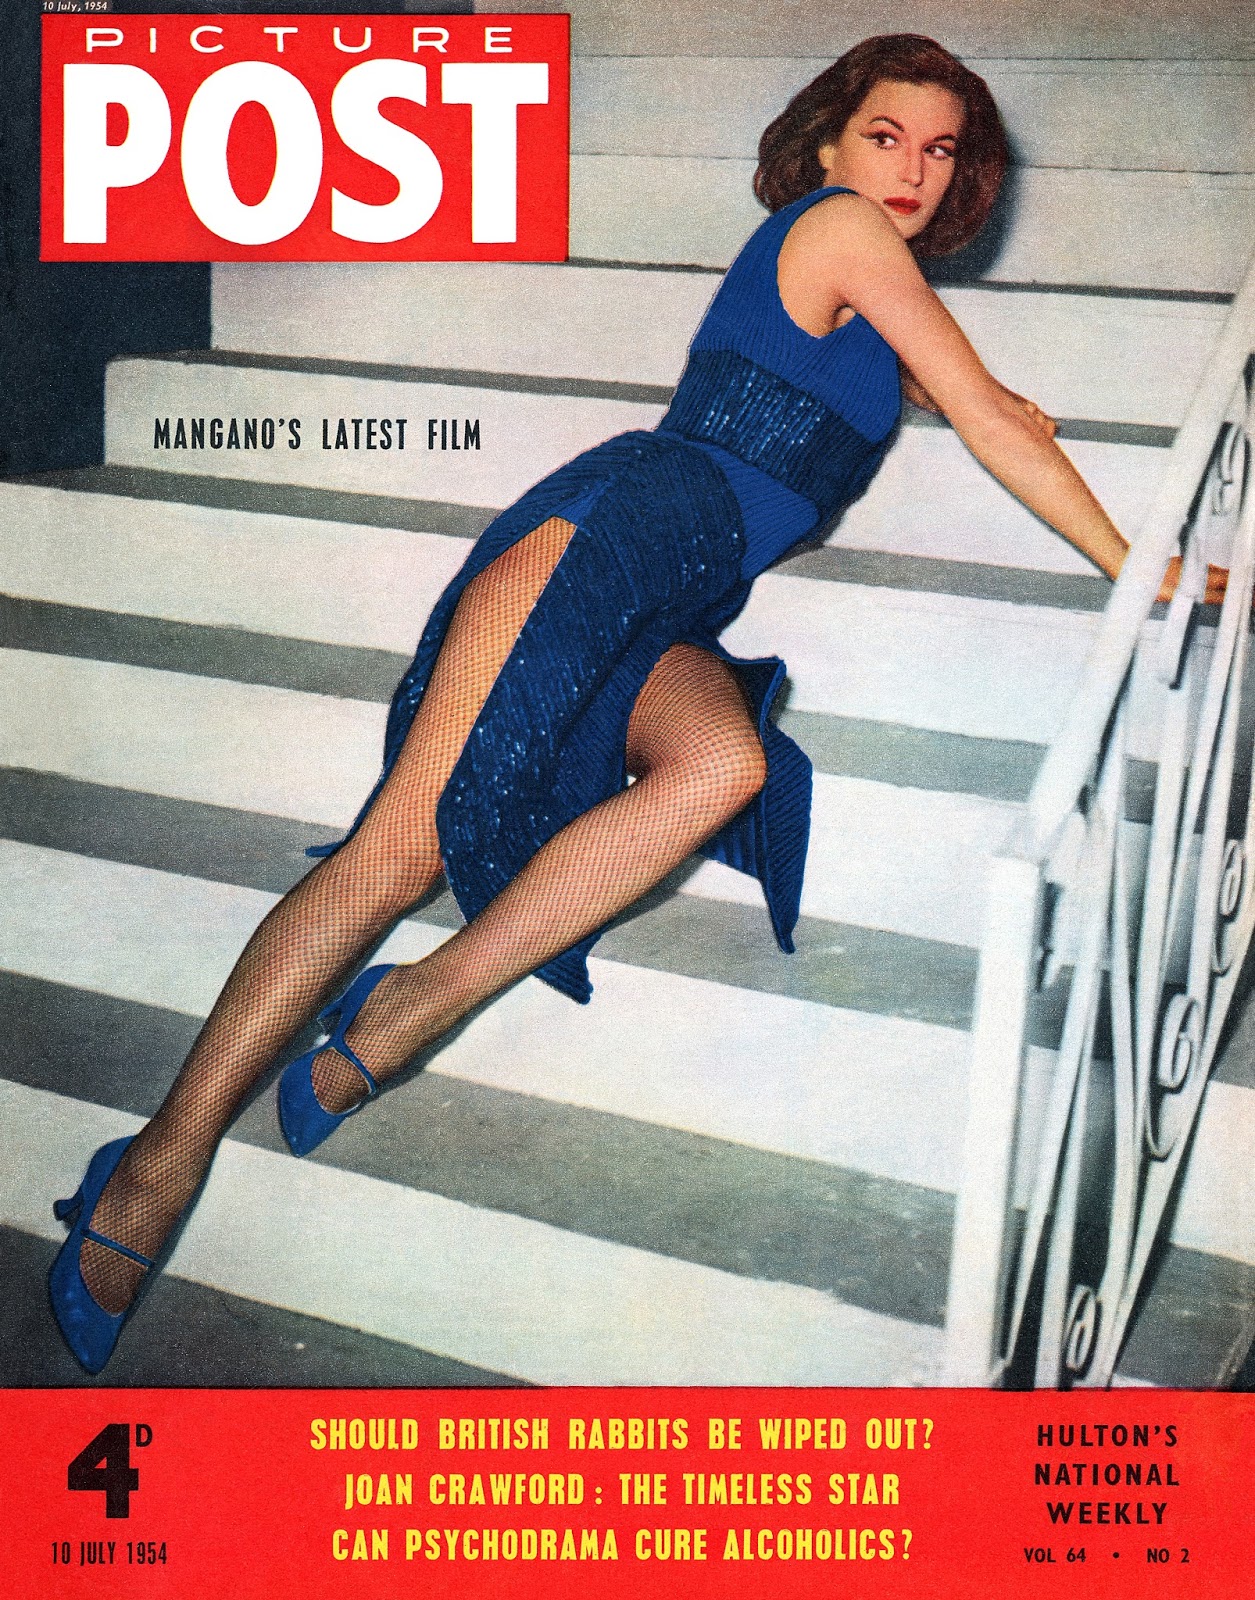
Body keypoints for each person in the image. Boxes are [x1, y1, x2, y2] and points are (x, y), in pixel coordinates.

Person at [47, 33, 1166, 1373]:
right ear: (826, 145)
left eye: (939, 148)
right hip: (615, 531)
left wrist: (1082, 475)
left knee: (723, 766)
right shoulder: (842, 229)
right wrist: (1141, 570)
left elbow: (981, 404)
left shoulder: (877, 298)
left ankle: (412, 1008)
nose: (912, 170)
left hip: (677, 596)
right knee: (398, 849)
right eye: (885, 136)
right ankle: (154, 1164)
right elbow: (987, 415)